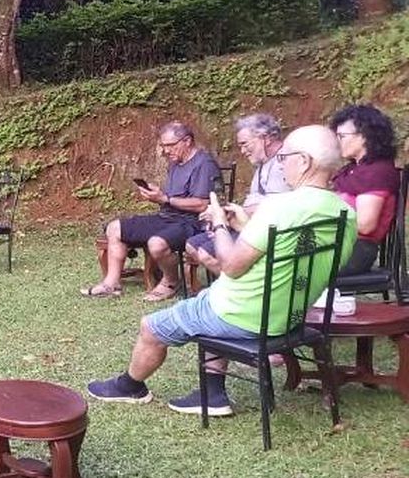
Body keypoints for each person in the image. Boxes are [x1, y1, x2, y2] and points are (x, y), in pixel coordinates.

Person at [86, 125, 356, 416]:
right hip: (289, 316)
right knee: (210, 297)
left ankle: (130, 386)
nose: (281, 164)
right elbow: (289, 250)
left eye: (284, 157)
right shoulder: (344, 213)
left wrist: (218, 224)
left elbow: (231, 265)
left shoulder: (279, 207)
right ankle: (213, 394)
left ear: (303, 161)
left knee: (151, 327)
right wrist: (244, 226)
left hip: (242, 313)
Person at [81, 122, 219, 301]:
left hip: (192, 222)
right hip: (167, 216)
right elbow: (173, 196)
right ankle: (111, 284)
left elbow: (202, 204)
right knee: (114, 228)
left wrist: (165, 199)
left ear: (187, 141)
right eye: (163, 146)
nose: (166, 151)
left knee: (157, 243)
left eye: (170, 145)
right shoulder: (176, 162)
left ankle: (171, 282)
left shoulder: (204, 163)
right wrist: (159, 194)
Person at [185, 114, 291, 273]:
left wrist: (222, 214)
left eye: (245, 144)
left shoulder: (283, 163)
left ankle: (238, 291)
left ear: (265, 138)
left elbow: (273, 207)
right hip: (248, 224)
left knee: (206, 253)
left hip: (269, 233)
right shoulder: (264, 162)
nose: (242, 151)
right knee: (192, 245)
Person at [330, 104, 400, 276]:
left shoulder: (377, 172)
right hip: (340, 243)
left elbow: (365, 225)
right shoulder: (354, 170)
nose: (338, 142)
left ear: (364, 136)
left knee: (288, 265)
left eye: (342, 136)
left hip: (356, 250)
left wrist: (324, 222)